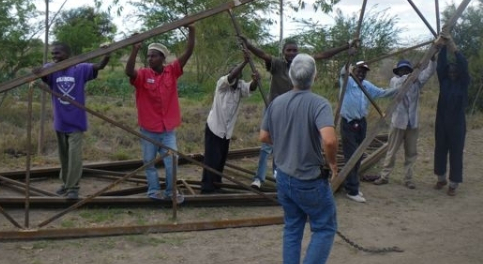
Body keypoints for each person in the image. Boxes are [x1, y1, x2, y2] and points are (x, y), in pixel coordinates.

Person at [260, 54, 338, 264]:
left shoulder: (277, 103)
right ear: (314, 76)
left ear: (291, 76)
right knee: (324, 227)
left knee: (293, 228)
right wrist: (332, 162)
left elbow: (263, 136)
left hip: (283, 177)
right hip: (309, 180)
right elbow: (329, 139)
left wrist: (283, 145)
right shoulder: (319, 104)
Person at [240, 35, 357, 189]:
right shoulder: (277, 64)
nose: (292, 53)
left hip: (296, 110)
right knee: (268, 144)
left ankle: (279, 174)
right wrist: (248, 44)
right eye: (289, 50)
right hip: (276, 110)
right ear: (283, 52)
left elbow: (323, 55)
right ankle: (258, 178)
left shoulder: (303, 63)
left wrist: (346, 46)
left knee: (288, 143)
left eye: (295, 50)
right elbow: (263, 54)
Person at [125, 25, 195, 203]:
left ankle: (171, 191)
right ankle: (154, 191)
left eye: (154, 56)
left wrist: (191, 31)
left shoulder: (172, 72)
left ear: (163, 58)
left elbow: (188, 52)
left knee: (172, 161)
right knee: (149, 162)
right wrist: (134, 49)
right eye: (148, 56)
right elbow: (128, 71)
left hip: (167, 129)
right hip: (148, 128)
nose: (150, 59)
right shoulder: (142, 74)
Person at [36, 42, 110, 200]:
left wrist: (107, 55)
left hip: (76, 122)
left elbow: (99, 66)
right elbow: (42, 74)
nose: (55, 56)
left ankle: (73, 188)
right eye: (53, 54)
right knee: (64, 157)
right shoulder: (51, 69)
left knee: (74, 156)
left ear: (67, 54)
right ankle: (65, 184)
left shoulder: (80, 68)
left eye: (58, 53)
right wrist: (38, 72)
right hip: (60, 121)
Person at [374, 55, 436, 189]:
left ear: (409, 70)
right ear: (398, 72)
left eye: (406, 70)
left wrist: (432, 59)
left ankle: (408, 179)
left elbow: (429, 72)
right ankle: (384, 176)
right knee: (391, 151)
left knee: (411, 153)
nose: (404, 72)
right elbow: (402, 83)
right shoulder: (395, 81)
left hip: (412, 123)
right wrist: (412, 76)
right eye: (401, 70)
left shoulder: (417, 82)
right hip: (398, 122)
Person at [200, 52, 259, 193]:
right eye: (233, 73)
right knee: (211, 159)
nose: (236, 76)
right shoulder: (222, 84)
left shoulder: (240, 87)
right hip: (214, 128)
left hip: (227, 132)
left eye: (238, 74)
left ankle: (217, 184)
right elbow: (231, 77)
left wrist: (256, 80)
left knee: (221, 159)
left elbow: (251, 88)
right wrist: (244, 63)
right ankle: (207, 188)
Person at [339, 61, 396, 203]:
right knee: (351, 155)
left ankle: (351, 184)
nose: (361, 73)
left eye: (364, 71)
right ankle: (352, 190)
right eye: (359, 70)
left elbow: (383, 93)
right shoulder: (347, 82)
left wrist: (404, 86)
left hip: (361, 123)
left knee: (358, 155)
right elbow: (343, 72)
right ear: (354, 69)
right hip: (348, 123)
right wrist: (349, 62)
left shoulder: (367, 85)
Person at [434, 36, 470, 196]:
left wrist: (453, 48)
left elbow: (464, 64)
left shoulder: (463, 83)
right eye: (450, 71)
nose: (452, 73)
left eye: (455, 71)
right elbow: (440, 65)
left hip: (457, 123)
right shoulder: (445, 81)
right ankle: (441, 178)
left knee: (456, 152)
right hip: (441, 121)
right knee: (440, 149)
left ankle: (453, 184)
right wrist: (441, 47)